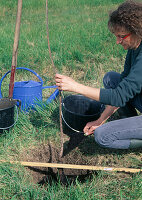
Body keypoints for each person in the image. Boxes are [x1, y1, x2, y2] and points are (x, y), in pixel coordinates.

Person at [55, 0, 142, 149]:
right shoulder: (134, 48)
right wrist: (100, 119)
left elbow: (118, 96)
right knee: (111, 78)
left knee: (102, 136)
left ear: (137, 30)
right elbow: (122, 86)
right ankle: (131, 124)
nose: (117, 41)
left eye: (121, 36)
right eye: (116, 36)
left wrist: (75, 86)